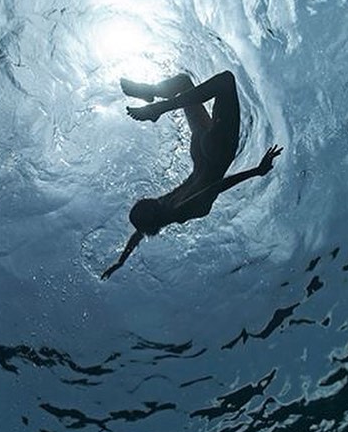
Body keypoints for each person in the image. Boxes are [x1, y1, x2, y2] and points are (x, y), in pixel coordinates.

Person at [101, 71, 282, 280]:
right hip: (211, 153)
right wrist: (257, 171)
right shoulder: (179, 210)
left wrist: (120, 261)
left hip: (212, 154)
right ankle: (157, 104)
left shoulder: (164, 209)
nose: (147, 198)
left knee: (192, 82)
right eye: (145, 203)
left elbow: (138, 234)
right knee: (215, 82)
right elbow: (216, 188)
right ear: (151, 212)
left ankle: (151, 95)